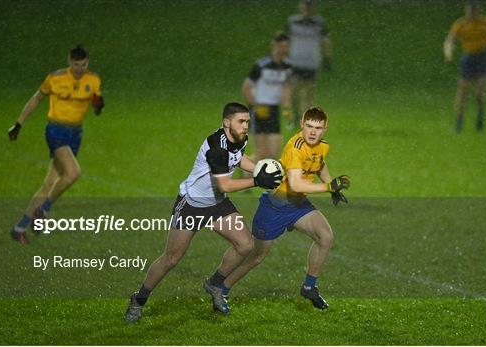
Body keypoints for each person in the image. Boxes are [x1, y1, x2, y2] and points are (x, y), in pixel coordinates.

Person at [124, 103, 283, 321]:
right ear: (226, 122)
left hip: (217, 205)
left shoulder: (240, 139)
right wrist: (257, 180)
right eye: (241, 121)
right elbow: (225, 185)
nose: (246, 126)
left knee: (245, 245)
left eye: (247, 122)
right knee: (171, 258)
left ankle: (215, 284)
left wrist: (259, 168)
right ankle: (138, 300)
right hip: (192, 205)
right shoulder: (215, 148)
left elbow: (238, 159)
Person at [221, 106, 350, 310]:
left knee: (325, 236)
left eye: (318, 127)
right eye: (309, 126)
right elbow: (296, 184)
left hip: (298, 205)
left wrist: (332, 187)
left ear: (325, 128)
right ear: (302, 125)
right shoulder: (295, 147)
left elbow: (320, 164)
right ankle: (222, 287)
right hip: (275, 207)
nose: (313, 132)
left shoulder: (322, 146)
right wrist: (327, 187)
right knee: (256, 256)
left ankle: (309, 287)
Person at [8, 45, 104, 245]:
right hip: (56, 131)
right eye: (76, 64)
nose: (80, 68)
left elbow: (96, 105)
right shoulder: (55, 78)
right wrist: (18, 124)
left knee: (50, 182)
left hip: (76, 134)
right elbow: (36, 99)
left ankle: (19, 228)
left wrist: (98, 106)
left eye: (84, 64)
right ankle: (42, 210)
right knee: (73, 173)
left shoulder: (93, 80)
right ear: (69, 62)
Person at [444, 2, 486, 132]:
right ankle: (459, 121)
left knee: (480, 91)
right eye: (469, 11)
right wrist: (448, 53)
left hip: (484, 57)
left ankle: (480, 114)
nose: (471, 14)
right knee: (463, 89)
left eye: (473, 11)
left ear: (478, 11)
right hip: (468, 58)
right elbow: (450, 40)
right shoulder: (461, 24)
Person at [242, 31, 293, 163]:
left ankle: (251, 174)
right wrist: (255, 106)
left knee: (274, 153)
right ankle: (241, 170)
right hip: (259, 109)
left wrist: (287, 109)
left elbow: (286, 89)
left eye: (286, 47)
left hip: (274, 110)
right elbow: (246, 88)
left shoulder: (287, 67)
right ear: (273, 45)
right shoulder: (261, 65)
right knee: (261, 154)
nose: (283, 50)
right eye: (281, 47)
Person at [286, 0, 331, 129]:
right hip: (295, 62)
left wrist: (327, 59)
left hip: (311, 63)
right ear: (300, 7)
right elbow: (286, 40)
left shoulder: (319, 23)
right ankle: (295, 116)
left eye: (309, 6)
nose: (307, 9)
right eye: (304, 6)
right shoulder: (292, 21)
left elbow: (325, 40)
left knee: (308, 94)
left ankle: (304, 120)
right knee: (293, 91)